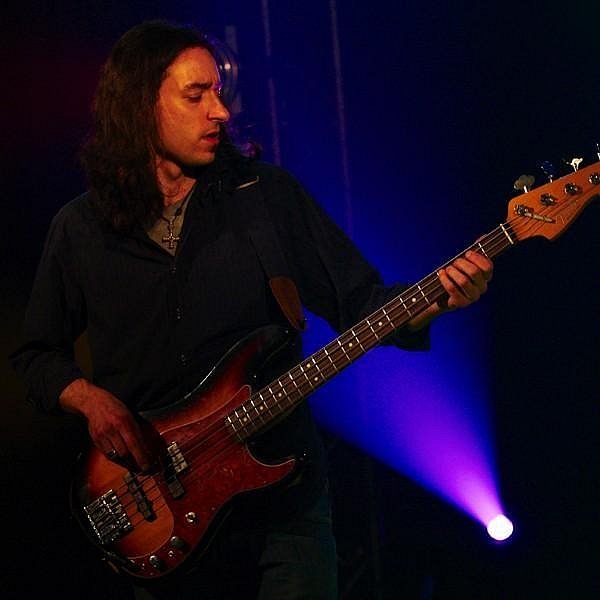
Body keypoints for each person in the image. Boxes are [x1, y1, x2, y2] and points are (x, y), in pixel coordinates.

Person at [10, 19, 493, 600]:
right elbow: (36, 355)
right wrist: (90, 400)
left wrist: (439, 299)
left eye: (218, 93)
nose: (220, 112)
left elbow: (363, 303)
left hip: (282, 509)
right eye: (196, 95)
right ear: (140, 106)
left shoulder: (266, 198)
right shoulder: (80, 229)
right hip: (160, 516)